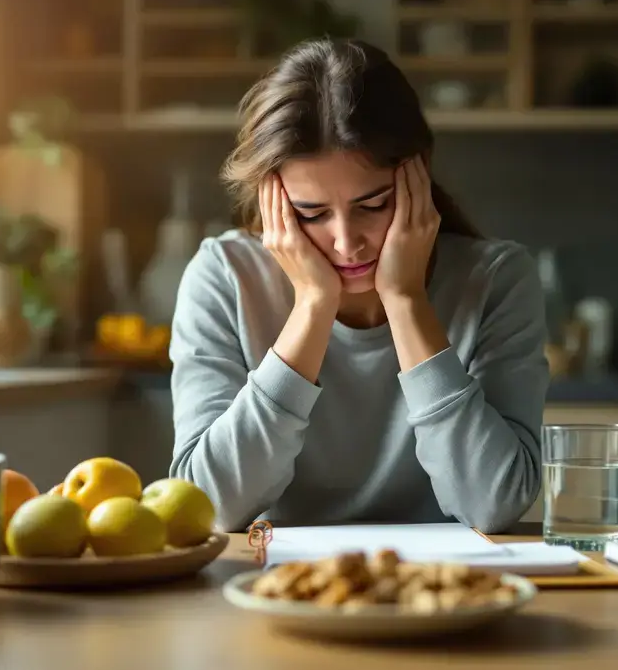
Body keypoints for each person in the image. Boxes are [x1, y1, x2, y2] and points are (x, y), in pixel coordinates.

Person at [168, 38, 549, 534]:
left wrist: (406, 300)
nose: (347, 243)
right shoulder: (223, 277)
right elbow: (210, 506)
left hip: (440, 593)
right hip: (277, 593)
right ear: (272, 201)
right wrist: (312, 306)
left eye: (372, 205)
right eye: (312, 214)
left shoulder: (497, 279)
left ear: (419, 176)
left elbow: (494, 504)